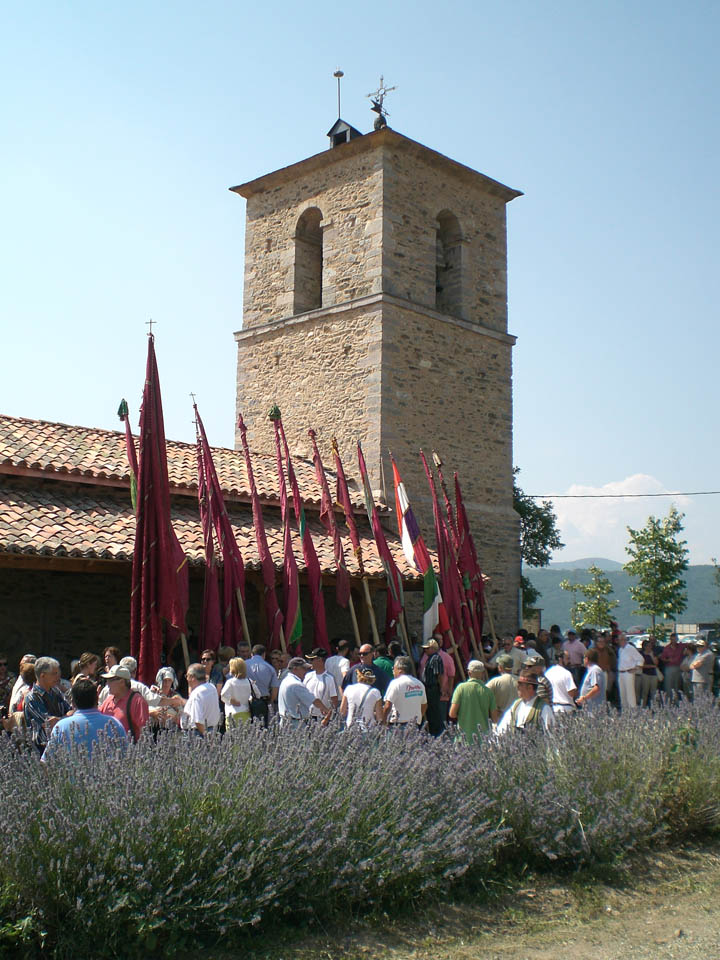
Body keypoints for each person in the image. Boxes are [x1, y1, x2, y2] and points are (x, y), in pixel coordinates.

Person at [42, 678, 126, 760]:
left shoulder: (61, 727)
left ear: (73, 702)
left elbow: (46, 761)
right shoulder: (114, 724)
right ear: (97, 698)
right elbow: (126, 757)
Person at [23, 656, 71, 752]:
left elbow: (71, 711)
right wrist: (66, 717)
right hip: (42, 749)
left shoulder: (55, 692)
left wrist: (61, 719)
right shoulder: (32, 698)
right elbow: (49, 723)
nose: (58, 677)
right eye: (54, 674)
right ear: (42, 676)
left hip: (61, 744)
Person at [448, 660, 499, 743]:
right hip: (483, 739)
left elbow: (452, 714)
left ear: (469, 673)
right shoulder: (488, 692)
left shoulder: (461, 688)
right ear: (483, 673)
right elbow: (495, 719)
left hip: (464, 739)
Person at [99, 664, 150, 742]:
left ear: (122, 682)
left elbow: (143, 732)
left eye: (110, 680)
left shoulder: (137, 701)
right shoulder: (108, 700)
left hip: (128, 748)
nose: (107, 683)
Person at [496, 668, 554, 734]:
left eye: (520, 684)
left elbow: (551, 735)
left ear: (530, 688)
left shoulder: (544, 708)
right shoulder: (516, 705)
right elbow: (501, 729)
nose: (517, 687)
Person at [277, 657, 331, 726]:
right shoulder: (296, 684)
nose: (306, 671)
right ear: (295, 669)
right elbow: (314, 700)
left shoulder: (285, 680)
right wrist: (325, 710)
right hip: (295, 724)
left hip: (285, 721)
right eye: (304, 668)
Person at [176, 663, 222, 736]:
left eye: (187, 676)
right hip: (211, 729)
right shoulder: (212, 687)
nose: (187, 679)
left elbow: (198, 721)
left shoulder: (197, 694)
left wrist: (206, 736)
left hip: (197, 733)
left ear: (192, 677)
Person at [382, 656, 427, 728]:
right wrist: (417, 718)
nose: (393, 671)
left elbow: (387, 705)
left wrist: (383, 723)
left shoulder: (395, 683)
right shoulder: (419, 684)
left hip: (397, 726)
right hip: (414, 726)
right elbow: (424, 705)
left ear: (400, 670)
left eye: (393, 668)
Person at [245, 644, 280, 725]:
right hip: (262, 701)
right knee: (260, 727)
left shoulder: (243, 665)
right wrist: (271, 701)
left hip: (244, 702)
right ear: (264, 654)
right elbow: (275, 688)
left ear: (252, 654)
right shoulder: (270, 668)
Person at [419, 638, 445, 736]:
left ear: (433, 648)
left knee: (434, 711)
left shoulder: (436, 658)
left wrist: (441, 688)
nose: (425, 650)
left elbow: (439, 674)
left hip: (432, 688)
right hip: (428, 688)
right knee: (430, 711)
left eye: (427, 648)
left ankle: (437, 732)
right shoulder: (430, 658)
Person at [303, 649, 339, 719]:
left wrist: (327, 719)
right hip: (307, 716)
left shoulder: (330, 678)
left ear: (319, 660)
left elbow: (334, 701)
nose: (310, 662)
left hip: (322, 717)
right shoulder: (308, 676)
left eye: (312, 659)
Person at [220, 657, 253, 727]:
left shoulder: (230, 682)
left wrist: (231, 701)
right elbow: (258, 694)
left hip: (232, 712)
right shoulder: (249, 681)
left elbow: (223, 695)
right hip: (245, 712)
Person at [616, 633, 644, 710]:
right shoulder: (620, 649)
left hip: (628, 673)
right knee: (622, 693)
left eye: (621, 640)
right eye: (619, 640)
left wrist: (636, 668)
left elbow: (640, 659)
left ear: (624, 640)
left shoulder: (630, 648)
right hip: (621, 673)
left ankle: (632, 710)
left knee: (630, 693)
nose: (619, 641)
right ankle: (624, 710)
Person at [659, 632, 686, 702]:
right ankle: (668, 701)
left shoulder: (681, 646)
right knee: (668, 685)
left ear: (677, 639)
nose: (674, 641)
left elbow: (690, 646)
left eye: (675, 639)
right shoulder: (667, 648)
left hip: (678, 667)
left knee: (677, 685)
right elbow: (662, 658)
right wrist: (668, 660)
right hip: (669, 667)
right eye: (672, 639)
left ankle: (676, 701)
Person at [638, 638, 660, 707]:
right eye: (648, 646)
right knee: (645, 692)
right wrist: (650, 666)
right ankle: (643, 706)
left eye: (651, 646)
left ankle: (654, 706)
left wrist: (651, 655)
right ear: (645, 647)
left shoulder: (653, 653)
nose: (650, 647)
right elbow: (641, 665)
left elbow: (656, 663)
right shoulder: (641, 654)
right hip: (645, 674)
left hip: (653, 674)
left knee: (653, 692)